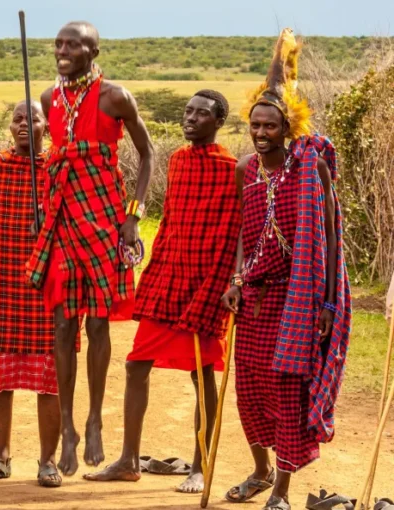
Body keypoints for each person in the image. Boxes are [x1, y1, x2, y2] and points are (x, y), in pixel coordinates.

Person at [220, 29, 351, 510]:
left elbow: (331, 236)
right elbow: (242, 235)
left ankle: (282, 490)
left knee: (286, 395)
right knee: (250, 390)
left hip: (300, 299)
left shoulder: (308, 167)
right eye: (255, 124)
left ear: (287, 127)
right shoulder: (245, 171)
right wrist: (235, 281)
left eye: (270, 125)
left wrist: (328, 302)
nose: (260, 133)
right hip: (257, 298)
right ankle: (260, 470)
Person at [85, 91, 241, 493]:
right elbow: (171, 218)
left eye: (201, 114)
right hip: (169, 273)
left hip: (206, 281)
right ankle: (128, 460)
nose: (191, 119)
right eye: (188, 111)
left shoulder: (233, 168)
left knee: (201, 373)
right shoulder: (179, 160)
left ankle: (201, 465)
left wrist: (226, 283)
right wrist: (154, 267)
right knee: (137, 364)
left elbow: (233, 230)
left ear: (218, 122)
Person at [25, 21, 154, 476]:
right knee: (63, 323)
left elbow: (147, 155)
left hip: (103, 217)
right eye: (58, 43)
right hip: (62, 216)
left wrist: (133, 217)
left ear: (93, 51)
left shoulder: (115, 97)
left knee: (99, 323)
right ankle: (68, 426)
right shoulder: (48, 98)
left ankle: (95, 418)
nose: (63, 50)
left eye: (73, 44)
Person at [0, 100, 67, 487]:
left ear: (48, 125)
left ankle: (48, 461)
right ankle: (0, 456)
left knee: (51, 379)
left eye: (34, 118)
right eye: (18, 119)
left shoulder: (61, 168)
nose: (24, 124)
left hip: (48, 287)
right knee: (0, 378)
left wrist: (47, 227)